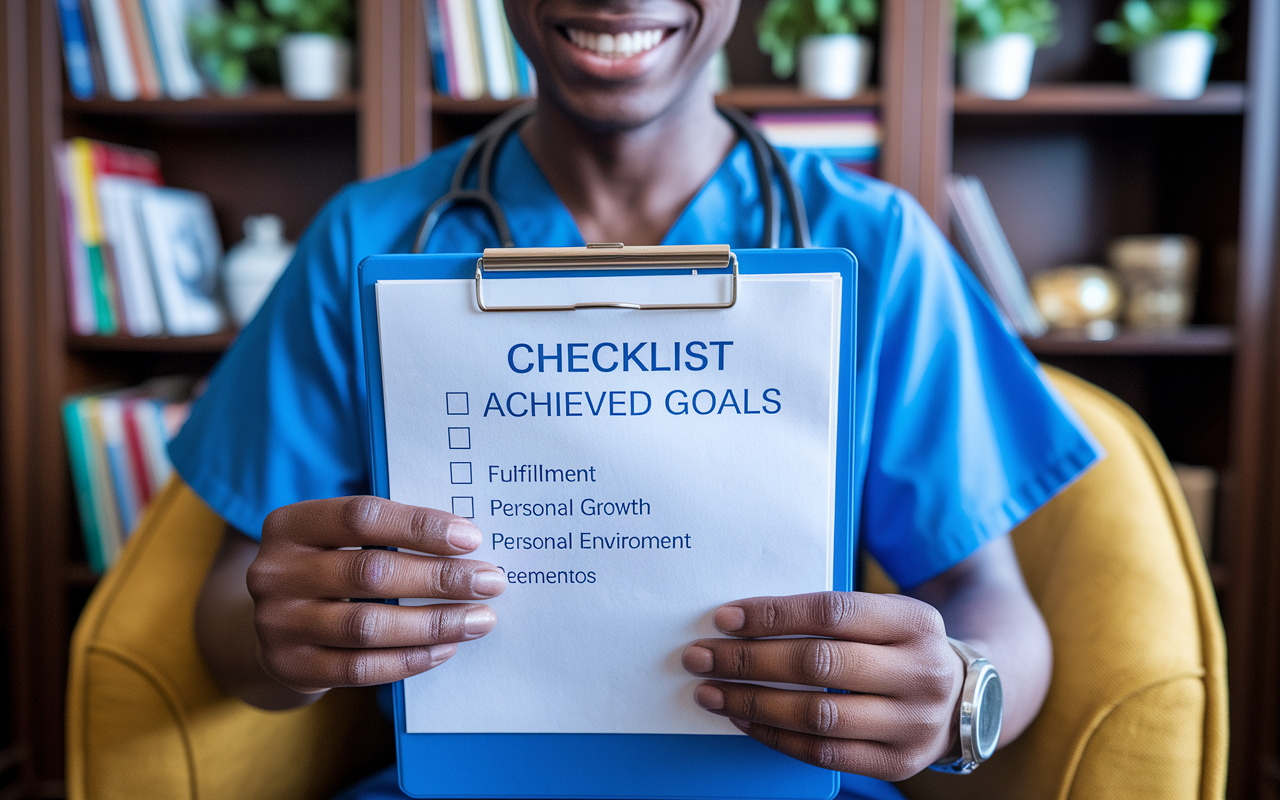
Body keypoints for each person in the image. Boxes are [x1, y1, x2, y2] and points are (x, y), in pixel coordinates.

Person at [181, 1, 1101, 798]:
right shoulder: (367, 237)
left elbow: (988, 599)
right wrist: (284, 641)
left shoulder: (879, 244)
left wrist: (959, 700)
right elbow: (234, 604)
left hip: (779, 789)